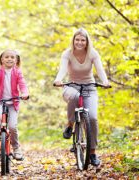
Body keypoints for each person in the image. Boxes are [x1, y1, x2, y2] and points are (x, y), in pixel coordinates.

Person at [53, 28, 110, 166]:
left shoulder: (92, 53)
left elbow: (100, 70)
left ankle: (92, 153)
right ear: (73, 40)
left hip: (89, 87)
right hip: (71, 86)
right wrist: (58, 79)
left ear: (87, 41)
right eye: (77, 39)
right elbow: (63, 69)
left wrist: (105, 81)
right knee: (74, 96)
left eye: (82, 40)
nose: (79, 42)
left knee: (92, 118)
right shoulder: (67, 54)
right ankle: (70, 124)